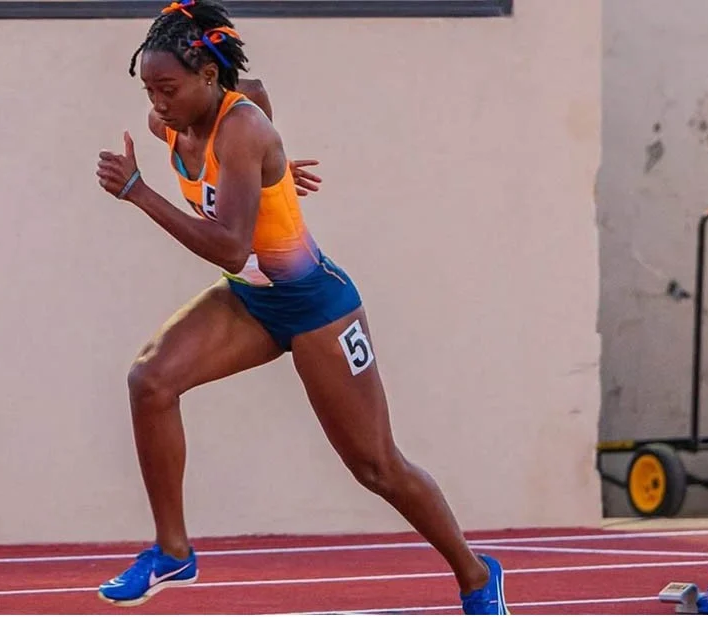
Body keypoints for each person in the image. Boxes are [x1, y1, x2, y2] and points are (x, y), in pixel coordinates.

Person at [94, 1, 509, 613]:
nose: (157, 104)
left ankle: (476, 575)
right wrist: (275, 173)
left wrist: (140, 191)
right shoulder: (173, 123)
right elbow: (257, 91)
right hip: (253, 300)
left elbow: (231, 248)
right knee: (149, 381)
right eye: (149, 90)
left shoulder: (242, 131)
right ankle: (173, 551)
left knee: (376, 466)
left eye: (168, 89)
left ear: (208, 77)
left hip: (317, 305)